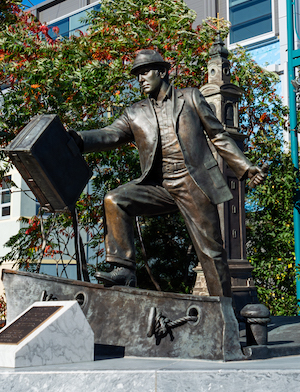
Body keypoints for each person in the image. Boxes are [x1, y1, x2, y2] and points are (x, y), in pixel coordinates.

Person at [69, 49, 266, 297]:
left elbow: (218, 135)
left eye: (145, 72)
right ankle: (124, 269)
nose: (140, 79)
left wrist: (246, 168)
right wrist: (77, 139)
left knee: (211, 251)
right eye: (137, 74)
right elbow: (110, 134)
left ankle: (223, 312)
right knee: (115, 199)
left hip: (193, 182)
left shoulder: (191, 98)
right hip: (159, 185)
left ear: (162, 72)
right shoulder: (135, 112)